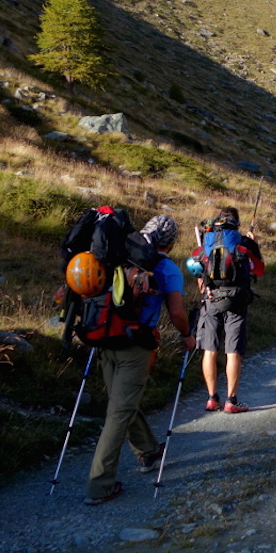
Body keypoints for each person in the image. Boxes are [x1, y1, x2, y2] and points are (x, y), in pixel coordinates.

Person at [85, 214, 196, 505]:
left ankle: (148, 449)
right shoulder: (167, 268)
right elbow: (176, 313)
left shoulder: (115, 255)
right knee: (119, 411)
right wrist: (187, 334)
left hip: (104, 338)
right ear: (170, 244)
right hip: (136, 347)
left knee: (122, 402)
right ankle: (100, 485)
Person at [194, 206, 263, 414]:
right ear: (237, 223)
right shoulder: (244, 242)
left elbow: (198, 274)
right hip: (236, 300)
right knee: (233, 351)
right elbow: (259, 270)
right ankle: (231, 400)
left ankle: (211, 398)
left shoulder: (207, 242)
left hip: (211, 298)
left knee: (210, 349)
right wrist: (254, 243)